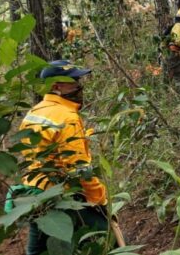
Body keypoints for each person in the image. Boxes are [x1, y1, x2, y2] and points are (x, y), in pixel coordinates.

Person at [17, 60, 110, 255]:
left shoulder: (34, 112)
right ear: (57, 86)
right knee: (106, 238)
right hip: (61, 194)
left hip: (33, 191)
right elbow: (78, 168)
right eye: (74, 81)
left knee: (37, 249)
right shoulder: (67, 116)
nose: (79, 85)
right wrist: (99, 199)